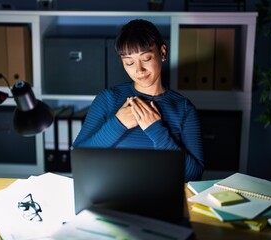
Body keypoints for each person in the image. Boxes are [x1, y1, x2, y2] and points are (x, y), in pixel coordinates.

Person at [73, 19, 204, 182]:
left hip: (161, 197)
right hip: (112, 195)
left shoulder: (184, 108)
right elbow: (79, 155)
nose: (139, 70)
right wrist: (118, 124)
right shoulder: (108, 99)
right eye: (129, 62)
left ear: (162, 53)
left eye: (146, 59)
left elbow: (194, 174)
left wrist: (156, 130)